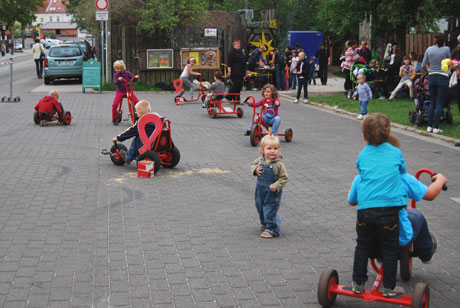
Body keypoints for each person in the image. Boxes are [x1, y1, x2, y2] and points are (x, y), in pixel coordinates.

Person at [349, 134, 448, 264]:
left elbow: (352, 201)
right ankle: (426, 253)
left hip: (370, 242)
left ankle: (380, 257)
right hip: (397, 239)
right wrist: (440, 180)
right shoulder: (403, 178)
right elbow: (431, 194)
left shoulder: (361, 178)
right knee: (416, 216)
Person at [349, 113, 407, 297]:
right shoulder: (396, 152)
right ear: (388, 133)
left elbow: (362, 173)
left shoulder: (362, 154)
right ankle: (389, 288)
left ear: (364, 136)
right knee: (390, 248)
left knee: (362, 246)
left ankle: (357, 283)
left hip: (365, 210)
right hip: (390, 210)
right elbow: (402, 170)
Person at [250, 135, 288, 238]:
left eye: (275, 149)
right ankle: (266, 223)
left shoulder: (279, 164)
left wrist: (276, 186)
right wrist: (255, 169)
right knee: (260, 206)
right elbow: (252, 165)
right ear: (262, 150)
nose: (272, 151)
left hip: (272, 191)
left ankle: (272, 229)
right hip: (260, 189)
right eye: (269, 148)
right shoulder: (260, 160)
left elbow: (284, 178)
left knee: (269, 208)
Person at [421, 33, 451, 134]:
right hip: (443, 76)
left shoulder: (429, 49)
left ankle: (429, 126)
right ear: (443, 40)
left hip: (432, 76)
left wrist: (428, 73)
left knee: (432, 102)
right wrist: (447, 72)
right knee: (439, 103)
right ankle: (436, 127)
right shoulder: (446, 49)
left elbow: (423, 65)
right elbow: (449, 62)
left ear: (435, 40)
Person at [112, 100, 155, 164]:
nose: (136, 114)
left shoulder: (142, 123)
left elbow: (130, 132)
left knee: (136, 139)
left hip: (146, 144)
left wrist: (118, 138)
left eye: (136, 112)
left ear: (140, 111)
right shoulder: (156, 119)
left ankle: (128, 157)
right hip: (156, 143)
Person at [112, 60, 139, 125]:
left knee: (137, 102)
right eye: (116, 69)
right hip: (120, 91)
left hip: (128, 90)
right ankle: (114, 118)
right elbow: (115, 82)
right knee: (115, 104)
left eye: (118, 69)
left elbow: (133, 79)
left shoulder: (127, 73)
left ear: (122, 68)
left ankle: (138, 115)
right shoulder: (116, 75)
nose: (117, 70)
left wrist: (136, 77)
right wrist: (118, 80)